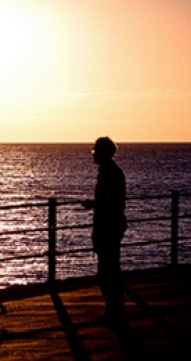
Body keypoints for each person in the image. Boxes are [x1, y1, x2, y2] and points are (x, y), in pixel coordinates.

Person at [82, 136, 127, 326]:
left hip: (107, 225)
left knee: (107, 269)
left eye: (95, 151)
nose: (93, 154)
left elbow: (109, 202)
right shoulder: (113, 172)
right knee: (110, 268)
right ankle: (114, 308)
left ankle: (113, 310)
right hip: (112, 224)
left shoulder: (109, 173)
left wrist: (94, 205)